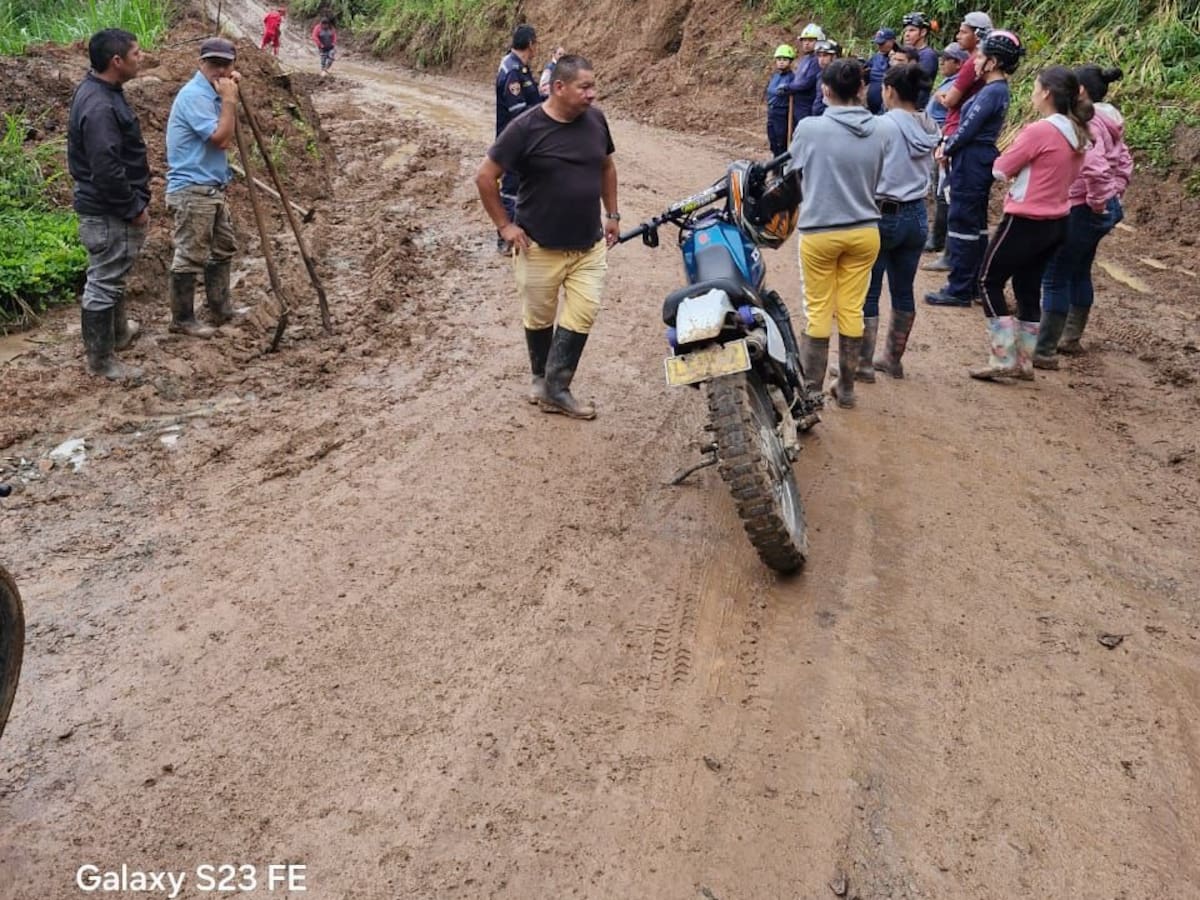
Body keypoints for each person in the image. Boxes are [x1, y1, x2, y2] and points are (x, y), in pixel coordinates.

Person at [475, 55, 620, 420]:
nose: (592, 94)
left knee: (583, 312)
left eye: (593, 86)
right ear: (559, 87)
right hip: (538, 246)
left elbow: (606, 166)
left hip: (588, 245)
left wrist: (612, 214)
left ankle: (556, 388)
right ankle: (541, 379)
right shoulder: (525, 128)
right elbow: (485, 177)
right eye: (584, 87)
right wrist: (505, 226)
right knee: (539, 317)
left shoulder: (597, 121)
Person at [970, 65, 1090, 381]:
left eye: (1036, 88)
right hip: (1058, 221)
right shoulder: (1077, 131)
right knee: (1027, 287)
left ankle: (1004, 357)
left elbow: (1001, 168)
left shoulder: (1040, 131)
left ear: (1047, 93)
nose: (1033, 93)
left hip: (1025, 219)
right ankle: (1023, 360)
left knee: (987, 281)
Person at [787, 58, 889, 409]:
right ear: (862, 89)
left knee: (817, 312)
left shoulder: (810, 128)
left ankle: (811, 393)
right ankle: (846, 389)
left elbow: (792, 173)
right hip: (865, 231)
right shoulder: (880, 129)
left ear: (825, 90)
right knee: (852, 309)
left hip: (819, 231)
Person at [1034, 65, 1132, 366]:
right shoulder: (1109, 120)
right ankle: (1070, 337)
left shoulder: (1088, 123)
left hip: (1084, 207)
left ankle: (1045, 348)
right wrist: (1115, 193)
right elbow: (1124, 160)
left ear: (1080, 92)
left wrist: (1098, 201)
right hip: (1101, 205)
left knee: (1055, 275)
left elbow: (1095, 164)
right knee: (1078, 269)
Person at [67, 28, 150, 379]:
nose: (141, 57)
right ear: (116, 61)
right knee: (104, 280)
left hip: (105, 207)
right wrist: (133, 207)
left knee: (112, 275)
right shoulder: (100, 105)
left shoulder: (103, 91)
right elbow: (106, 167)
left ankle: (118, 335)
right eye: (135, 53)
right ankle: (102, 362)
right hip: (108, 210)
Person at [924, 30, 1019, 308]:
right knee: (974, 223)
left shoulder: (992, 91)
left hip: (972, 158)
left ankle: (959, 288)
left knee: (963, 220)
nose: (975, 61)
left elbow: (968, 128)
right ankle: (974, 282)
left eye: (981, 56)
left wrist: (947, 147)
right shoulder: (995, 90)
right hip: (976, 157)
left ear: (994, 62)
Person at [860, 64, 939, 381]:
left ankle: (863, 364)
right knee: (903, 290)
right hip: (917, 215)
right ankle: (892, 359)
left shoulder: (881, 126)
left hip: (882, 213)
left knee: (868, 292)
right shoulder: (929, 125)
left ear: (889, 90)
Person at [164, 37, 244, 340]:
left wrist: (229, 96)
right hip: (192, 189)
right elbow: (222, 139)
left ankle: (221, 308)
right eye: (214, 64)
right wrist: (230, 100)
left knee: (223, 247)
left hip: (212, 186)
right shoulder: (195, 96)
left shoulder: (216, 92)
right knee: (190, 254)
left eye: (226, 64)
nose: (220, 70)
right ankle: (182, 319)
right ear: (201, 64)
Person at [924, 10, 993, 271]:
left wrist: (943, 96)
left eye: (963, 31)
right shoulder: (982, 65)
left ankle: (953, 256)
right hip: (960, 132)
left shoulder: (971, 65)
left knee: (950, 194)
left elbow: (951, 99)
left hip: (955, 131)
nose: (958, 35)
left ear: (978, 34)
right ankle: (957, 256)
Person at [494, 24, 542, 253]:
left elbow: (531, 99)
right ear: (530, 44)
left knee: (525, 186)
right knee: (511, 188)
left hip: (524, 139)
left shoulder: (520, 68)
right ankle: (505, 238)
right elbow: (520, 112)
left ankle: (523, 231)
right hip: (514, 140)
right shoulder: (512, 70)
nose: (537, 48)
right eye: (536, 43)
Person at [923, 42, 968, 255]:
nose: (941, 63)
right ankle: (938, 236)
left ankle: (939, 239)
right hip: (938, 136)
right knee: (938, 189)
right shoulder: (949, 80)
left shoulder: (959, 83)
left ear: (958, 64)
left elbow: (949, 102)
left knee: (943, 191)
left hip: (945, 136)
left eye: (946, 60)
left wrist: (940, 97)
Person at [784, 23, 824, 127]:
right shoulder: (805, 59)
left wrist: (789, 87)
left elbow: (807, 82)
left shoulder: (817, 60)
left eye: (810, 40)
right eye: (804, 40)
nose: (806, 43)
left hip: (808, 105)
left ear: (819, 41)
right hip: (799, 104)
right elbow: (798, 79)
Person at [900, 11, 939, 105]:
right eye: (905, 31)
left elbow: (920, 85)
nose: (907, 34)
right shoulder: (907, 52)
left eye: (912, 30)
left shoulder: (928, 56)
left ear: (923, 32)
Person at [765, 44, 797, 155]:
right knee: (772, 140)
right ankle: (775, 165)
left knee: (781, 141)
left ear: (790, 61)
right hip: (772, 112)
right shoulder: (775, 76)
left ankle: (782, 169)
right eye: (779, 59)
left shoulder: (792, 78)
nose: (781, 62)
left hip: (782, 114)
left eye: (785, 59)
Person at [867, 28, 897, 114]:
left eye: (882, 43)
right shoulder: (875, 57)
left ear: (892, 41)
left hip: (887, 105)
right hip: (871, 105)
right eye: (878, 43)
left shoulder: (899, 57)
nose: (879, 46)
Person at [810, 40, 840, 117]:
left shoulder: (839, 77)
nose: (821, 59)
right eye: (819, 56)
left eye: (825, 55)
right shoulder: (820, 75)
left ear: (834, 57)